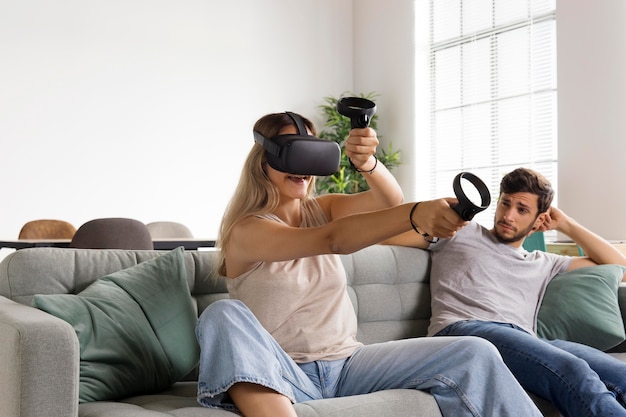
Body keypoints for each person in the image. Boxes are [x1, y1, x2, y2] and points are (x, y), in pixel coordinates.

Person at [195, 111, 544, 417]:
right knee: (221, 315)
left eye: (310, 151)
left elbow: (388, 198)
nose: (301, 167)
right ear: (263, 160)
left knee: (475, 351)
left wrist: (367, 163)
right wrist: (414, 215)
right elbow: (333, 239)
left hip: (349, 365)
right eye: (291, 152)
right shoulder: (247, 230)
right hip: (284, 372)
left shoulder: (323, 208)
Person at [384, 167, 626, 417]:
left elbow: (620, 267)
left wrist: (566, 224)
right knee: (573, 370)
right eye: (505, 203)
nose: (508, 215)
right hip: (465, 331)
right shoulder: (460, 231)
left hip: (528, 340)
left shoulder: (543, 262)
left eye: (522, 210)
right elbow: (386, 236)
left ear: (539, 219)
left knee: (621, 376)